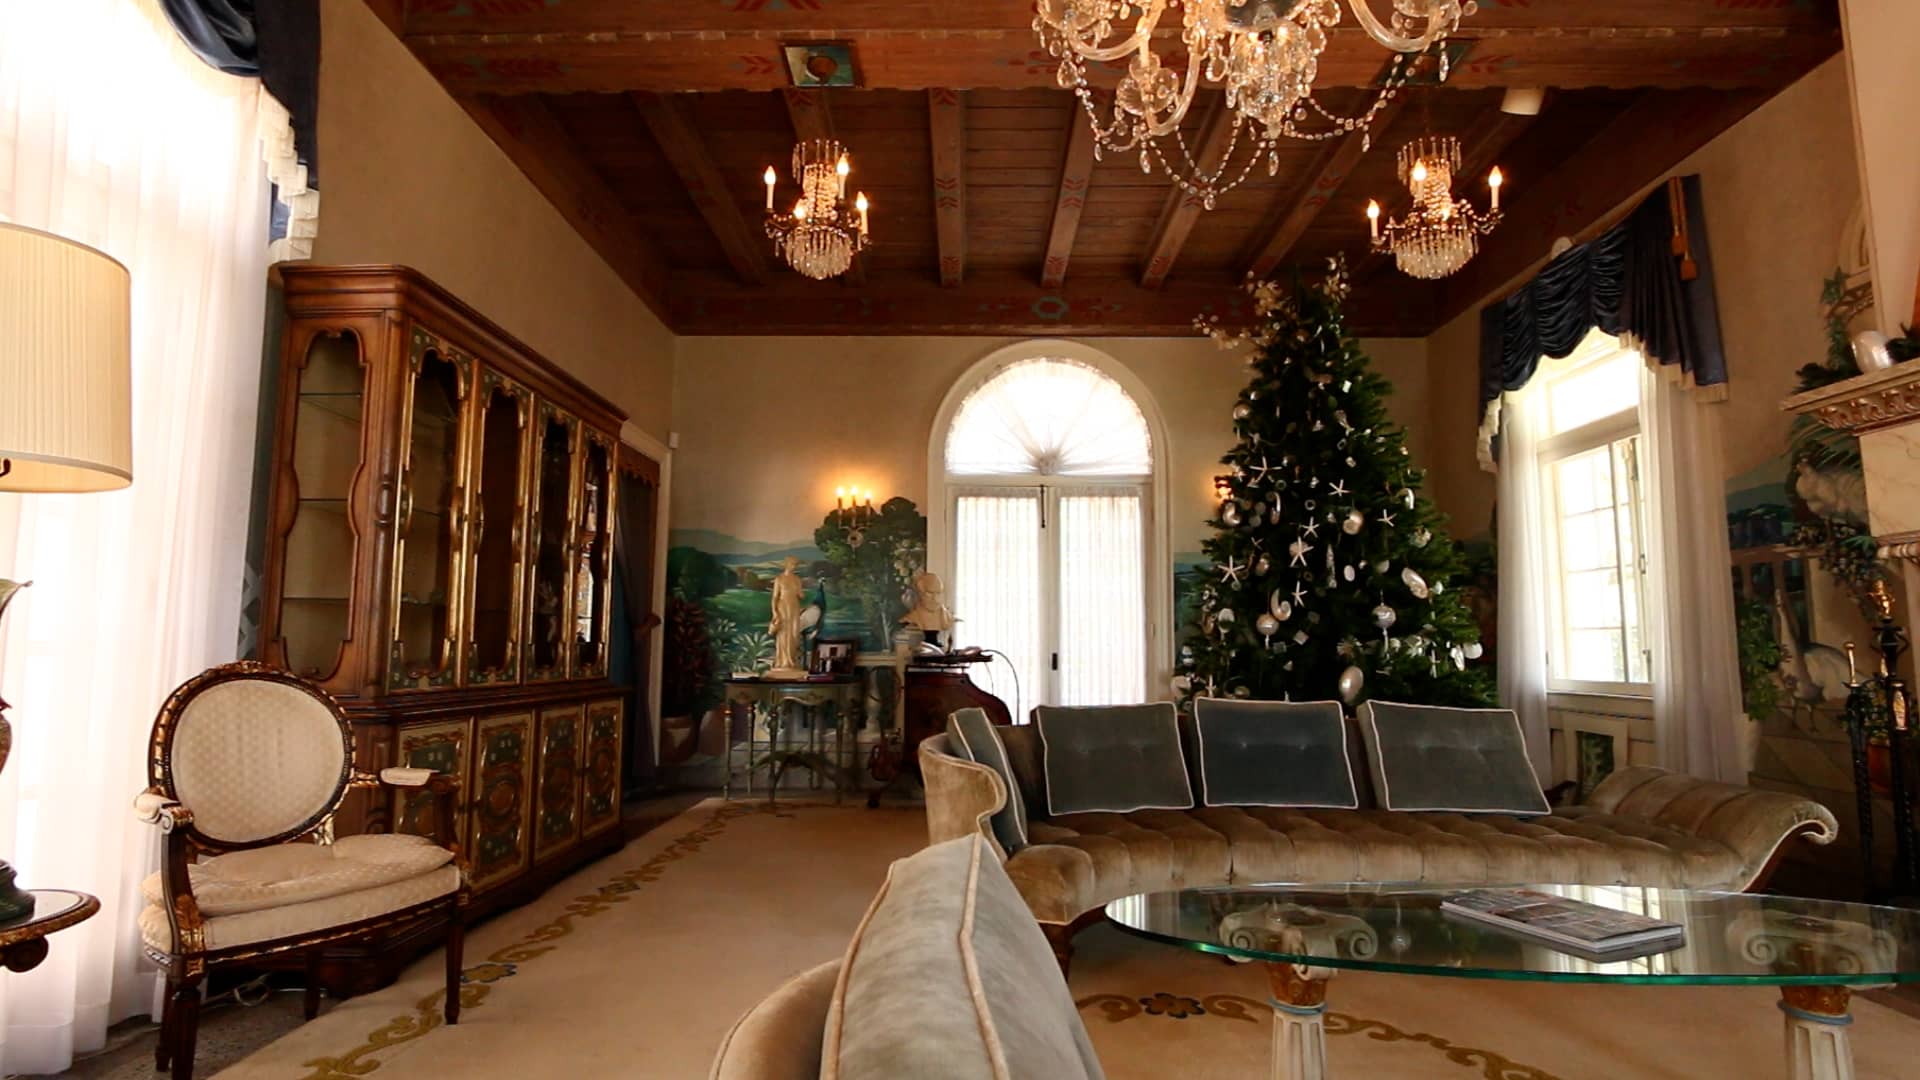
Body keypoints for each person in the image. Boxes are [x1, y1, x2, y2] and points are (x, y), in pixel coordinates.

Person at [767, 556, 807, 677]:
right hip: (783, 608)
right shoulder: (779, 579)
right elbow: (774, 597)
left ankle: (792, 662)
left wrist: (800, 592)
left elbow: (801, 595)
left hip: (794, 608)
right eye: (792, 564)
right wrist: (775, 612)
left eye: (796, 565)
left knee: (794, 634)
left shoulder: (797, 579)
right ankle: (783, 662)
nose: (794, 567)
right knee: (784, 634)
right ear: (787, 565)